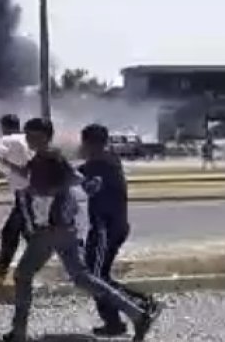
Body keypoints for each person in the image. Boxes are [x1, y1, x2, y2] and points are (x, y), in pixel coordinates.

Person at [0, 151, 161, 342]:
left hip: (50, 234)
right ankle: (137, 314)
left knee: (24, 276)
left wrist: (26, 198)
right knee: (83, 278)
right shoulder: (66, 183)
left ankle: (18, 333)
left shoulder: (49, 187)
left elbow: (44, 211)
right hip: (66, 234)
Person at [80, 124, 158, 337]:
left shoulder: (99, 163)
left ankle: (141, 306)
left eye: (84, 143)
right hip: (111, 226)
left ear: (90, 143)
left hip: (106, 228)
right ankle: (117, 320)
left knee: (93, 277)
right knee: (99, 276)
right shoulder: (108, 160)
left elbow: (76, 178)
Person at [0, 114, 31, 282]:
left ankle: (10, 272)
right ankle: (1, 271)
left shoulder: (7, 139)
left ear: (4, 126)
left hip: (24, 194)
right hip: (33, 193)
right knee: (12, 232)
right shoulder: (28, 139)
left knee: (26, 234)